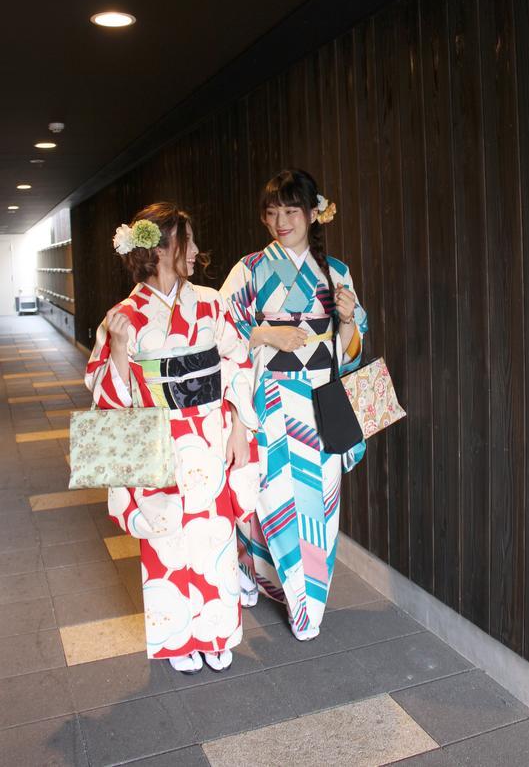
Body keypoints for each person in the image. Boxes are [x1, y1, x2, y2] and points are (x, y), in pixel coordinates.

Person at [85, 202, 260, 674]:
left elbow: (240, 361)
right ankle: (178, 639)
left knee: (213, 536)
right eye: (188, 240)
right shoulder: (123, 315)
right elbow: (103, 392)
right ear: (161, 249)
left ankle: (217, 631)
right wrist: (119, 349)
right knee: (166, 536)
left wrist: (241, 427)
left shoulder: (209, 302)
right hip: (157, 437)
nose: (197, 250)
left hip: (208, 434)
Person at [221, 170, 368, 641]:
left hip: (322, 399)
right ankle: (258, 571)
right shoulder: (249, 268)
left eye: (290, 211)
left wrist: (346, 321)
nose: (280, 221)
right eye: (272, 212)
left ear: (311, 213)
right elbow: (219, 332)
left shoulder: (337, 272)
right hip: (272, 397)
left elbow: (353, 349)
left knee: (319, 504)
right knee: (273, 495)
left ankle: (307, 603)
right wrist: (265, 333)